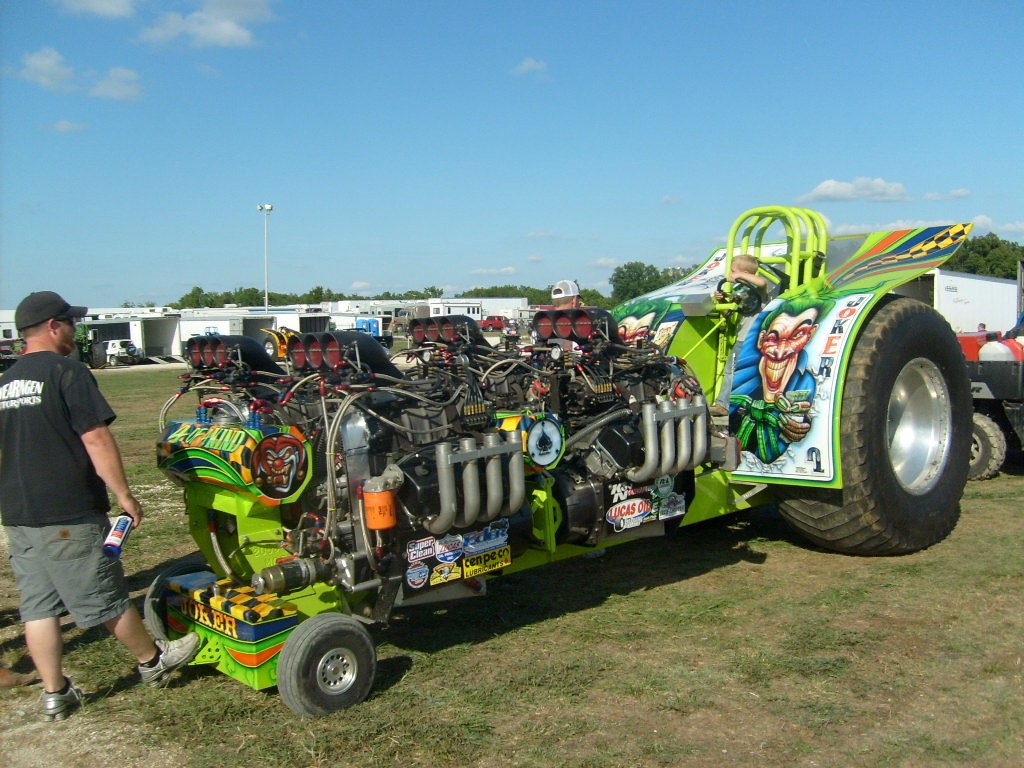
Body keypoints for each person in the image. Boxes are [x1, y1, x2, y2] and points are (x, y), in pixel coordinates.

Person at [0, 291, 200, 721]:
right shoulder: (66, 372)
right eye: (69, 322)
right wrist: (124, 494)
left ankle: (55, 692)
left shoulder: (5, 382)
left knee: (38, 606)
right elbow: (95, 437)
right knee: (104, 594)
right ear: (53, 326)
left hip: (19, 513)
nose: (75, 330)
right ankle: (153, 660)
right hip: (66, 510)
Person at [711, 254, 774, 416]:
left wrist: (738, 276)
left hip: (754, 339)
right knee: (730, 371)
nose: (730, 275)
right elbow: (729, 313)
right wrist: (722, 301)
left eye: (733, 271)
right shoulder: (738, 292)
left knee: (750, 373)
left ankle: (742, 406)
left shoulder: (758, 290)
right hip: (741, 338)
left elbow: (762, 282)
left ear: (745, 273)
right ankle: (724, 405)